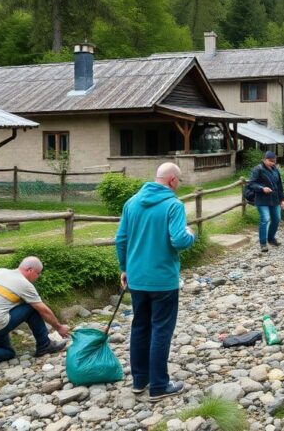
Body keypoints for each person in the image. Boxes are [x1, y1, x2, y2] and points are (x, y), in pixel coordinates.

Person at [116, 162, 195, 401]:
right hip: (163, 280)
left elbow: (121, 239)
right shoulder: (173, 205)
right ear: (172, 180)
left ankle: (140, 381)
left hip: (137, 278)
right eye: (178, 181)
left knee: (140, 326)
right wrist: (191, 233)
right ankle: (159, 386)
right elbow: (179, 240)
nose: (178, 185)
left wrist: (124, 268)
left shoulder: (132, 202)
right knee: (161, 329)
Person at [0, 257, 69, 374]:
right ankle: (44, 345)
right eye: (38, 273)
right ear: (30, 270)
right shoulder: (24, 284)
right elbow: (43, 310)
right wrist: (59, 327)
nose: (38, 277)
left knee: (9, 353)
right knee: (31, 307)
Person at [248, 150, 284, 252]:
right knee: (265, 219)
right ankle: (263, 243)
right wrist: (262, 188)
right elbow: (251, 183)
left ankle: (271, 238)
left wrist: (282, 199)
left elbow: (280, 186)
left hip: (275, 199)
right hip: (262, 199)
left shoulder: (275, 170)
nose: (272, 163)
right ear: (264, 159)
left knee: (277, 219)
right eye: (270, 161)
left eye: (274, 161)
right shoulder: (258, 169)